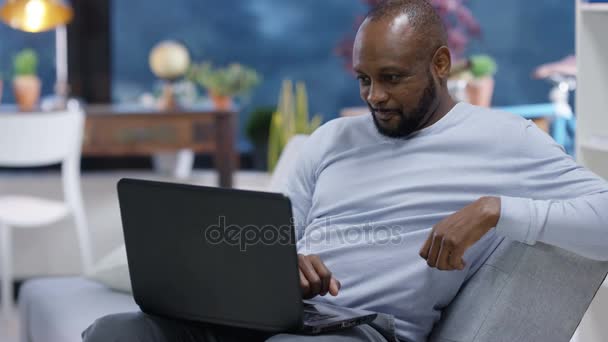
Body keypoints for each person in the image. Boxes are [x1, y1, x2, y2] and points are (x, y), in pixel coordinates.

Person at [82, 0, 608, 341]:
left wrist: (498, 210)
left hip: (360, 332)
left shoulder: (503, 140)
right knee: (113, 333)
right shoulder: (331, 139)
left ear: (441, 64)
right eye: (364, 79)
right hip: (271, 318)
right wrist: (284, 263)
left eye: (392, 78)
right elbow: (272, 236)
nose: (374, 97)